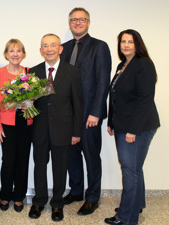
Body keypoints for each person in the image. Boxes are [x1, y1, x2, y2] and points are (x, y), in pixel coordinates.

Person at [105, 29, 160, 225]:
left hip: (138, 127)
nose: (126, 45)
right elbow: (116, 95)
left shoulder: (143, 64)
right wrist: (111, 122)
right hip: (122, 125)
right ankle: (136, 205)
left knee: (130, 170)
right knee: (134, 168)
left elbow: (145, 99)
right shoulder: (123, 65)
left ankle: (127, 217)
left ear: (138, 44)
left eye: (130, 41)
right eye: (123, 42)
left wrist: (133, 130)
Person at [60, 7, 111, 215]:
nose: (77, 23)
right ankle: (76, 191)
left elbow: (103, 81)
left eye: (81, 20)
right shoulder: (63, 48)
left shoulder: (99, 47)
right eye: (73, 20)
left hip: (89, 115)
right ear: (69, 23)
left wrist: (96, 112)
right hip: (68, 116)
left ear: (88, 23)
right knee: (71, 156)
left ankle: (92, 197)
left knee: (91, 157)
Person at [28, 34, 83, 222]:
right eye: (45, 46)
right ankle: (38, 201)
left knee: (60, 168)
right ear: (41, 50)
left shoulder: (72, 72)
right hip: (39, 130)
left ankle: (57, 203)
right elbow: (29, 104)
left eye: (53, 45)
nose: (49, 49)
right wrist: (24, 103)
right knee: (39, 167)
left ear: (60, 49)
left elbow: (78, 104)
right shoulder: (33, 72)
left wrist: (76, 132)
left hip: (64, 129)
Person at [0, 39, 32, 213]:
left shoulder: (29, 73)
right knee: (8, 161)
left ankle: (19, 196)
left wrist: (28, 103)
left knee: (23, 161)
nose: (15, 54)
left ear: (23, 54)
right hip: (6, 123)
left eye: (19, 51)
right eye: (12, 51)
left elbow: (35, 99)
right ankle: (5, 195)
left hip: (25, 122)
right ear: (6, 54)